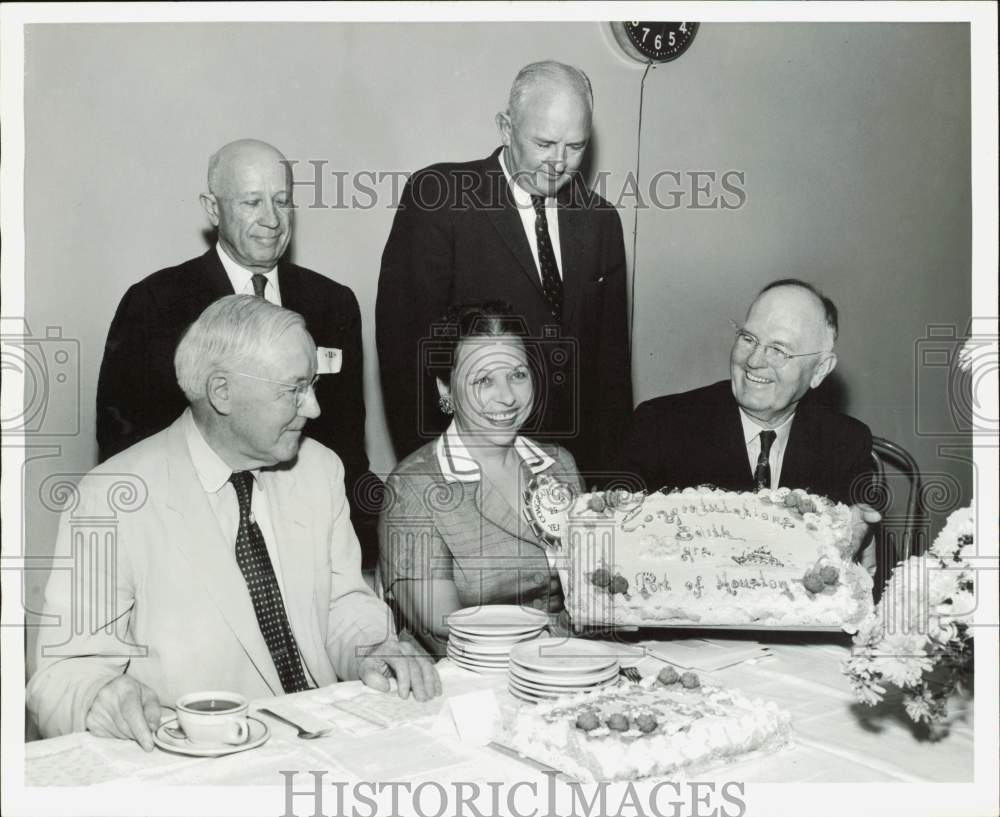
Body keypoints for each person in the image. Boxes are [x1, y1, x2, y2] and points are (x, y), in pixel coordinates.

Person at [28, 296, 440, 749]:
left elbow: (342, 602)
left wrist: (373, 649)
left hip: (326, 736)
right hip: (204, 759)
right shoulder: (111, 497)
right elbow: (62, 673)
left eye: (313, 385)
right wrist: (99, 695)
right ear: (222, 392)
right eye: (295, 390)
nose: (315, 408)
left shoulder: (319, 469)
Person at [96, 139, 381, 565]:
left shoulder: (332, 303)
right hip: (198, 542)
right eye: (251, 202)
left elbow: (346, 441)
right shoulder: (156, 303)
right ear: (213, 210)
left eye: (282, 201)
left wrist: (363, 549)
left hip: (310, 537)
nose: (271, 219)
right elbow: (125, 443)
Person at [376, 61, 631, 480]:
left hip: (571, 468)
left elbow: (612, 370)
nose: (560, 163)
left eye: (576, 146)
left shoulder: (600, 219)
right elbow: (407, 357)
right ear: (505, 128)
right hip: (468, 467)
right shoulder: (440, 200)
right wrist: (437, 474)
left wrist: (606, 478)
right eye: (544, 143)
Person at [622, 279, 880, 559]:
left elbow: (859, 553)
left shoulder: (845, 444)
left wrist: (858, 539)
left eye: (779, 350)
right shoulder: (660, 426)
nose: (754, 360)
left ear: (820, 369)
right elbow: (618, 545)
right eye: (748, 338)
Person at [378, 303, 584, 654]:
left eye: (517, 375)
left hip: (569, 668)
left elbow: (594, 592)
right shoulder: (411, 487)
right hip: (468, 687)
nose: (506, 397)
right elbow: (446, 632)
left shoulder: (558, 465)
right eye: (483, 380)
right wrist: (559, 642)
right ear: (445, 389)